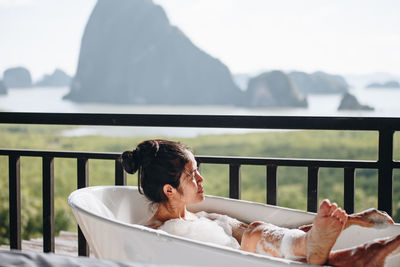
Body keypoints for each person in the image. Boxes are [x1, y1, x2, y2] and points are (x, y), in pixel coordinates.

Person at [121, 139, 400, 266]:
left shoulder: (207, 219)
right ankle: (366, 252)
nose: (202, 179)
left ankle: (367, 252)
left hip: (271, 258)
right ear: (169, 189)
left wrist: (348, 220)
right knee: (255, 235)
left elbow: (273, 235)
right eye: (192, 175)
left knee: (255, 231)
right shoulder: (154, 235)